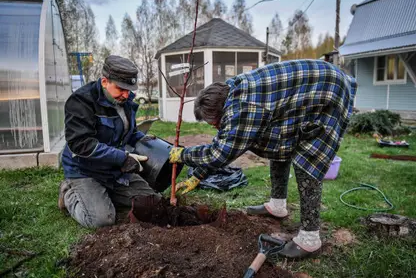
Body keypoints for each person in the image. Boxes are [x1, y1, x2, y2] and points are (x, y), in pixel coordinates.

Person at [169, 59, 357, 259]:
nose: (214, 127)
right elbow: (227, 140)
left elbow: (221, 153)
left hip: (328, 91)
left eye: (213, 122)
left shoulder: (243, 108)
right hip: (305, 90)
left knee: (307, 160)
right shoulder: (229, 93)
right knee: (280, 143)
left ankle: (310, 239)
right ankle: (277, 206)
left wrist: (183, 155)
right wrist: (197, 176)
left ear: (221, 111)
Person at [58, 55, 161, 228]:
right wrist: (122, 158)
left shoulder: (125, 100)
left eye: (129, 89)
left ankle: (100, 195)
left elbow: (128, 133)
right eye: (121, 89)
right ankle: (69, 193)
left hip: (113, 170)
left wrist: (144, 140)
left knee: (153, 202)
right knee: (102, 220)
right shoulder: (81, 101)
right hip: (84, 170)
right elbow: (80, 144)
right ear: (105, 81)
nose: (127, 94)